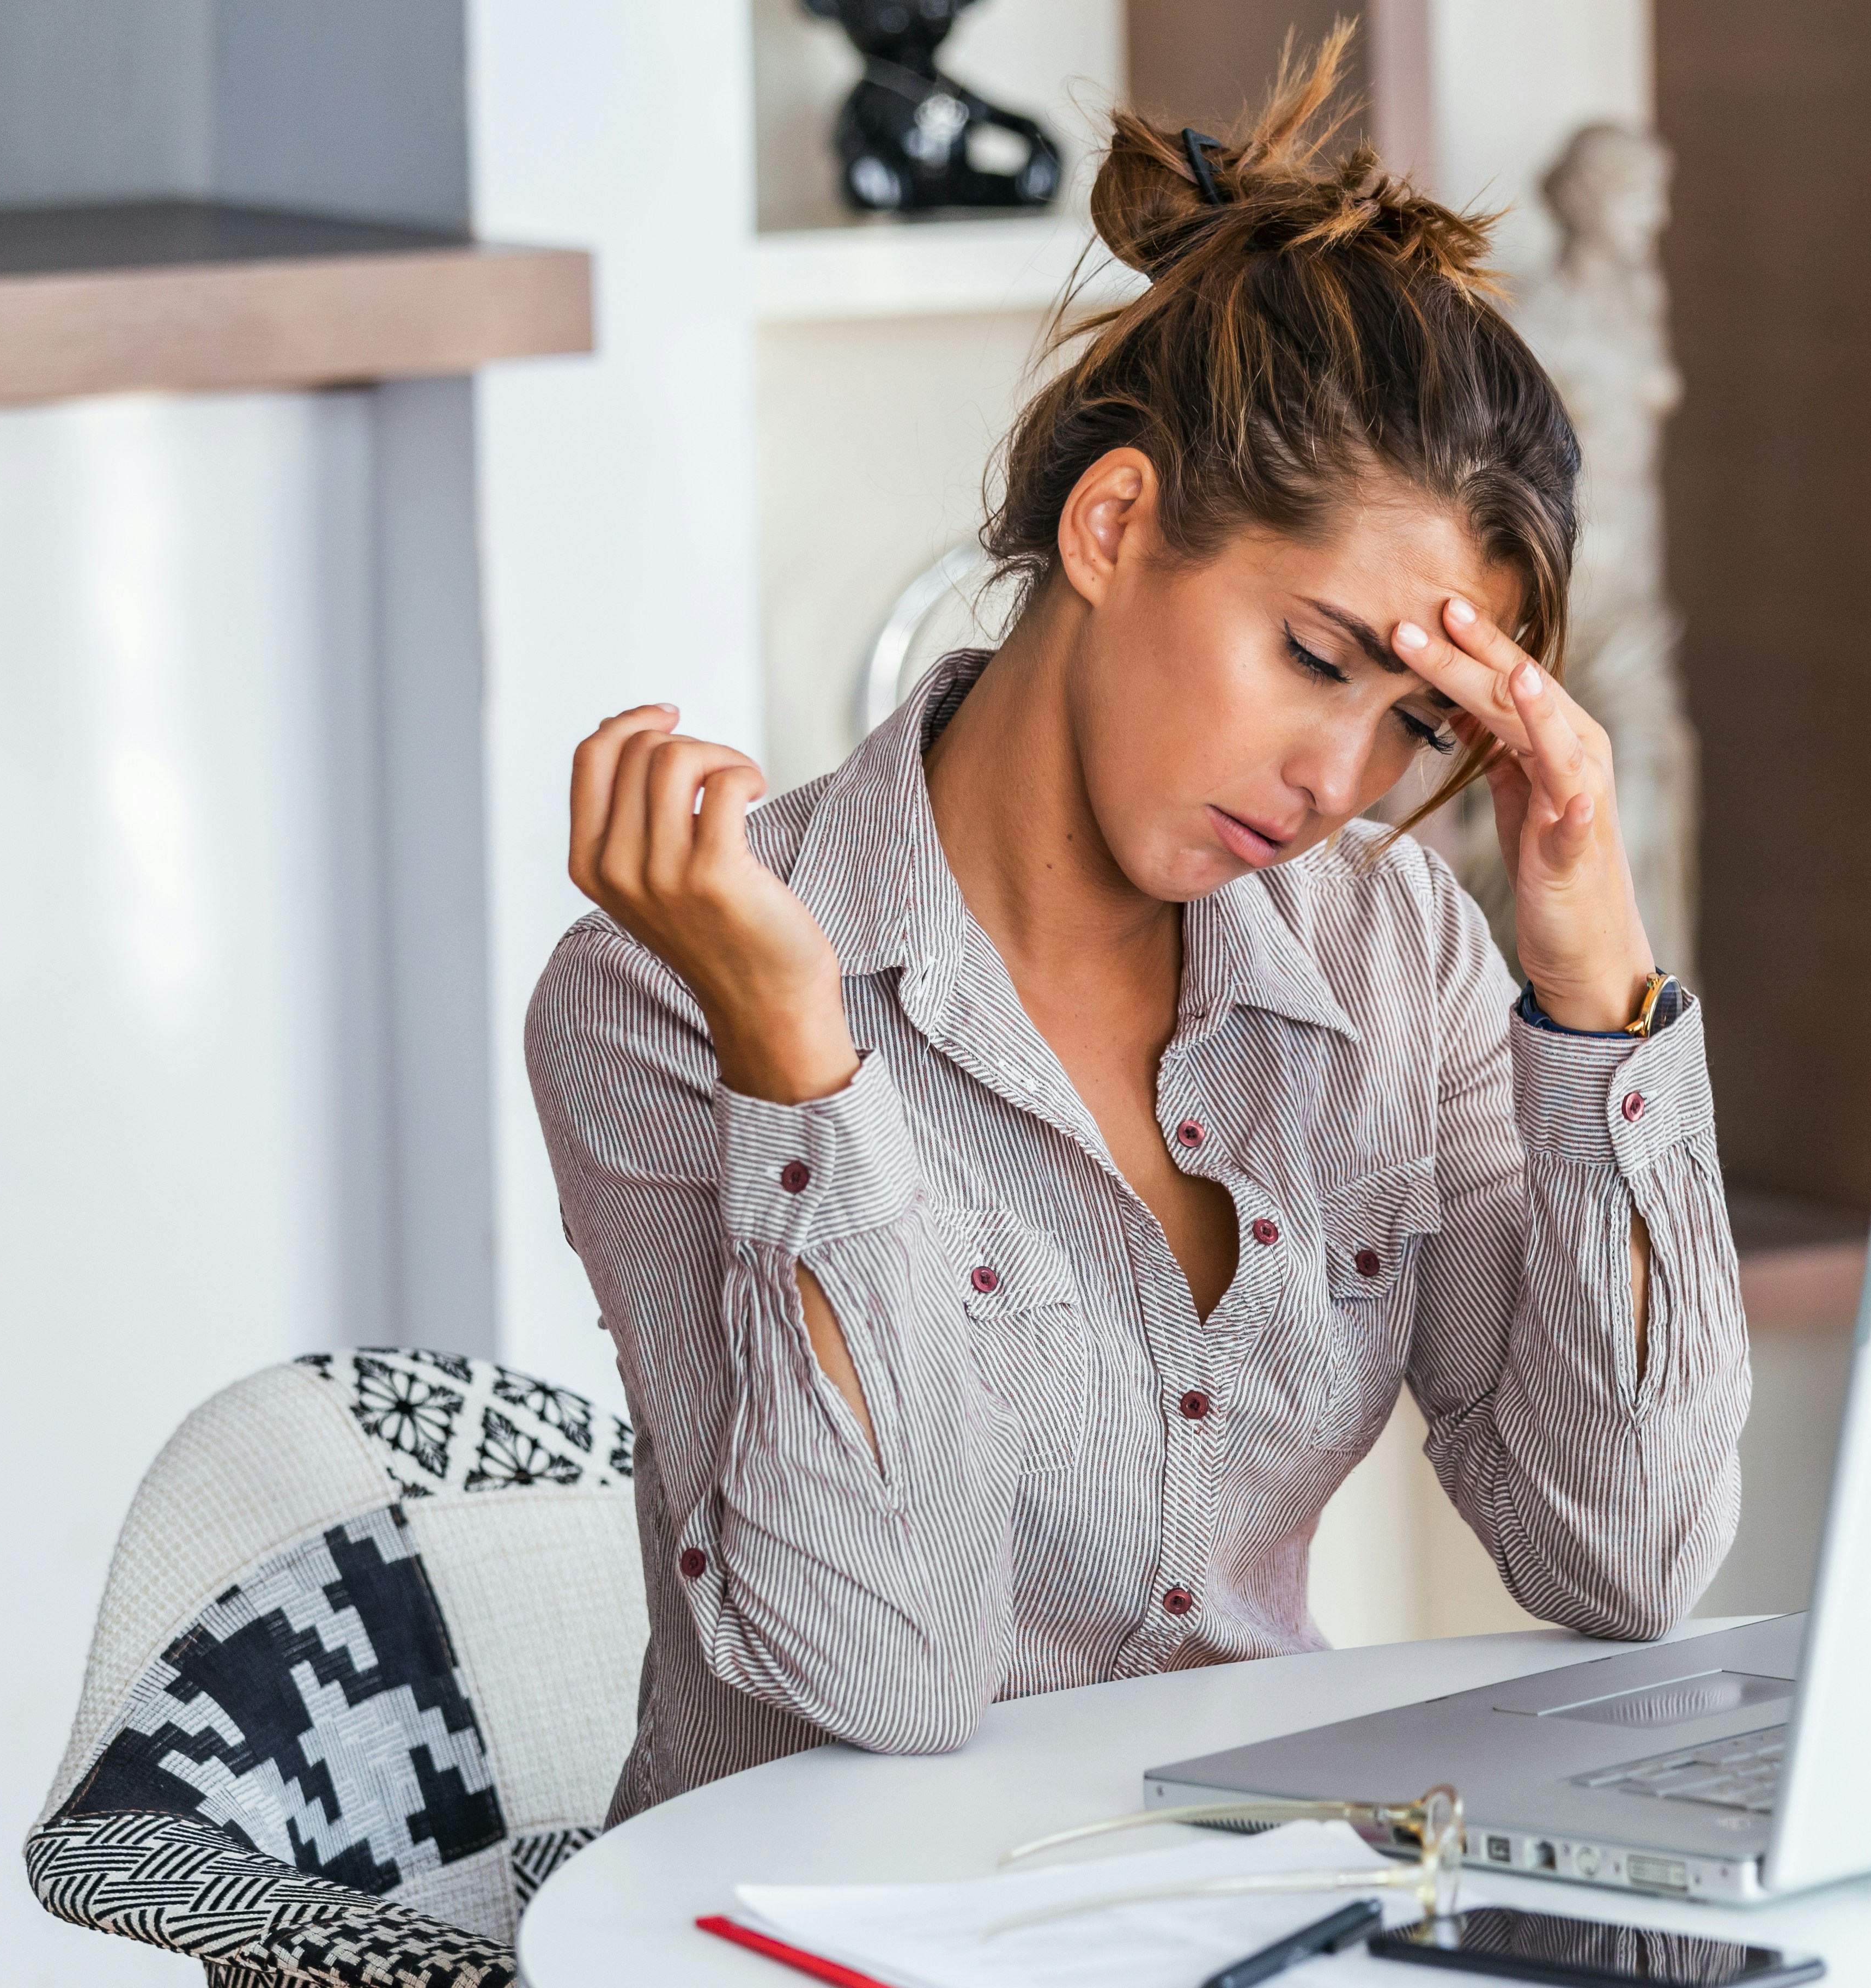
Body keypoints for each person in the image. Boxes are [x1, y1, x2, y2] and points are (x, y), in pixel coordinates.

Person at [529, 32, 1750, 1825]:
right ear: (1115, 524)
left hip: (1249, 1900)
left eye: (1419, 724)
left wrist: (1593, 989)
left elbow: (1625, 1561)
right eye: (1316, 657)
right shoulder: (664, 993)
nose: (1342, 774)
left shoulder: (1394, 950)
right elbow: (889, 1675)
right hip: (815, 1928)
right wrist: (799, 1060)